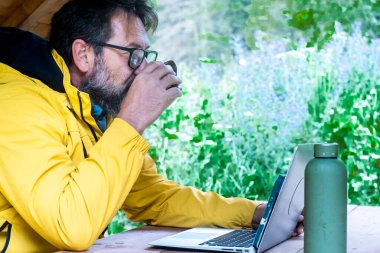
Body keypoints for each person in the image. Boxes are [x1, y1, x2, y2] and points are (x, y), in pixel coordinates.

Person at [0, 0, 303, 251]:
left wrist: (251, 213)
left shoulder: (96, 108)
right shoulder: (15, 104)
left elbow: (154, 199)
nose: (143, 68)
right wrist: (132, 119)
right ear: (83, 54)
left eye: (145, 55)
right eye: (133, 54)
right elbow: (71, 227)